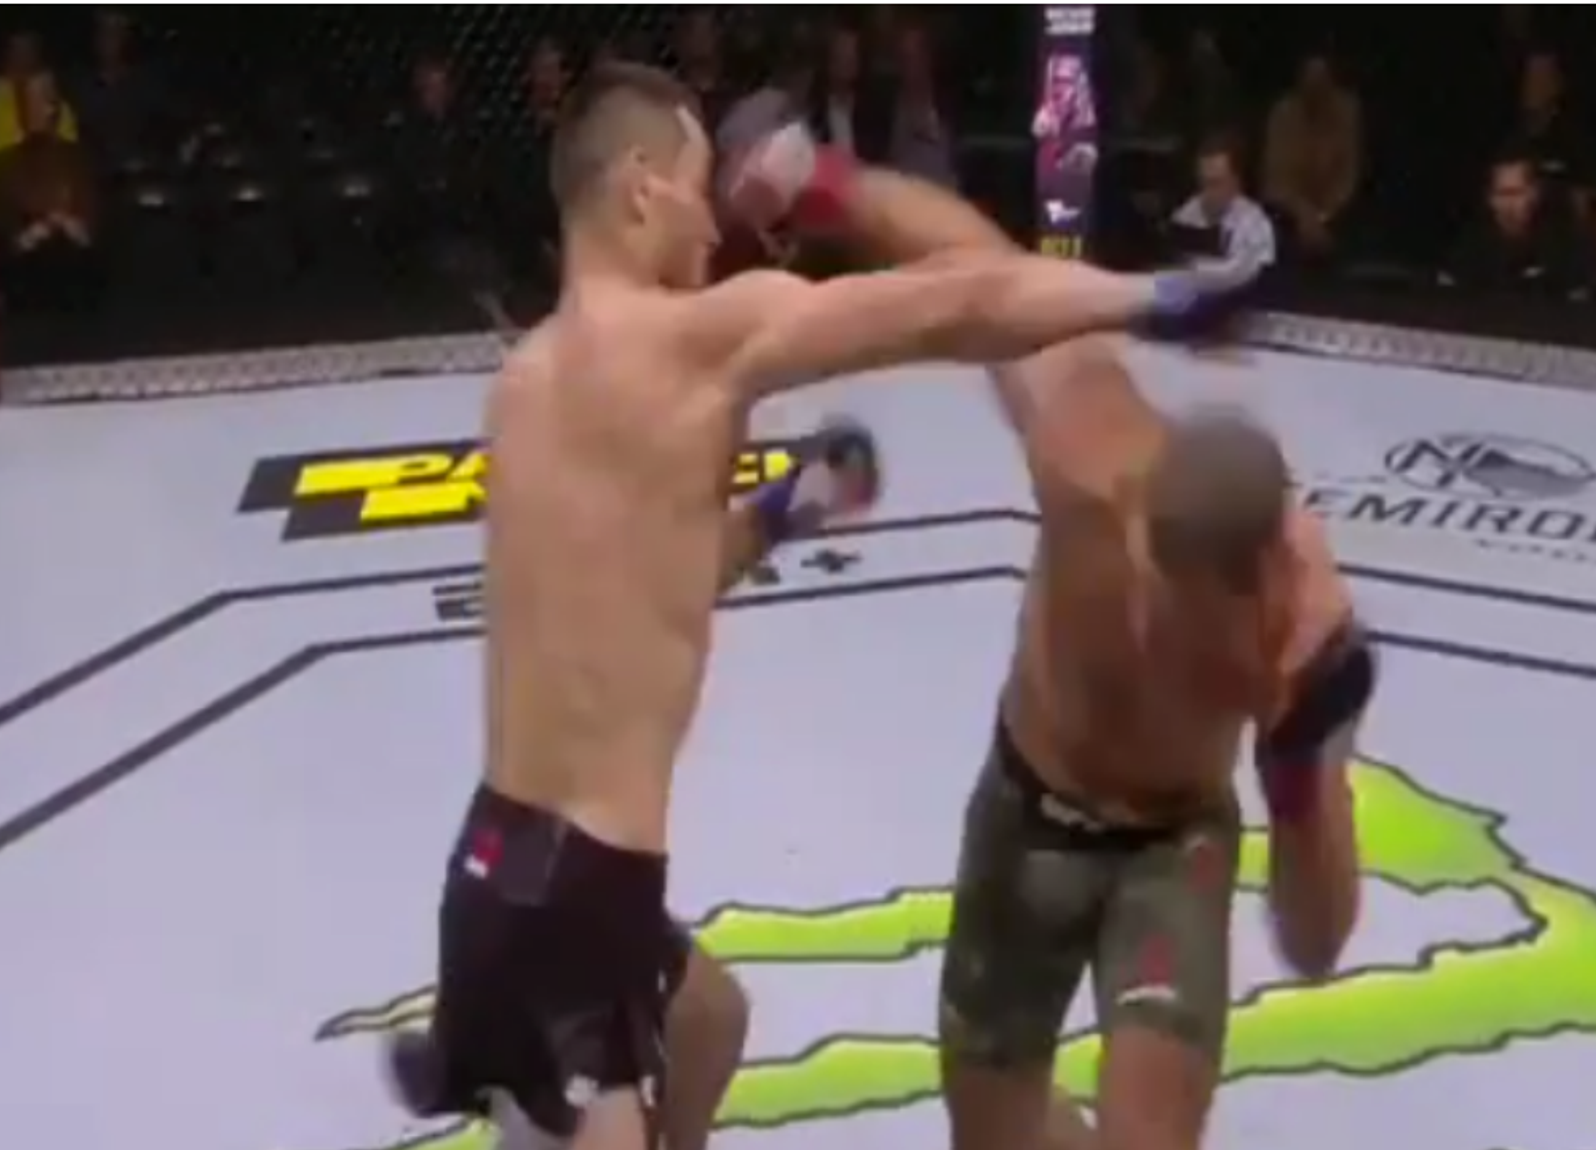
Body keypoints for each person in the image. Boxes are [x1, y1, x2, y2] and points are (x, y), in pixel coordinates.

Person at [381, 63, 1257, 1150]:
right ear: (643, 187)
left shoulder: (525, 383)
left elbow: (643, 590)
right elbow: (960, 303)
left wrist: (781, 512)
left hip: (494, 869)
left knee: (710, 1020)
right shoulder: (697, 341)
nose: (714, 223)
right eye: (697, 185)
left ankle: (481, 1044)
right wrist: (1159, 299)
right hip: (584, 900)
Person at [784, 140, 1368, 1150]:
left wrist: (1298, 783)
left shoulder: (1304, 644)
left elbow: (1315, 943)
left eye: (1190, 629)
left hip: (1171, 845)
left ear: (1259, 592)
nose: (1155, 631)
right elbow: (979, 267)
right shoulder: (1087, 445)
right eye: (1153, 594)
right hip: (1029, 809)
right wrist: (830, 185)